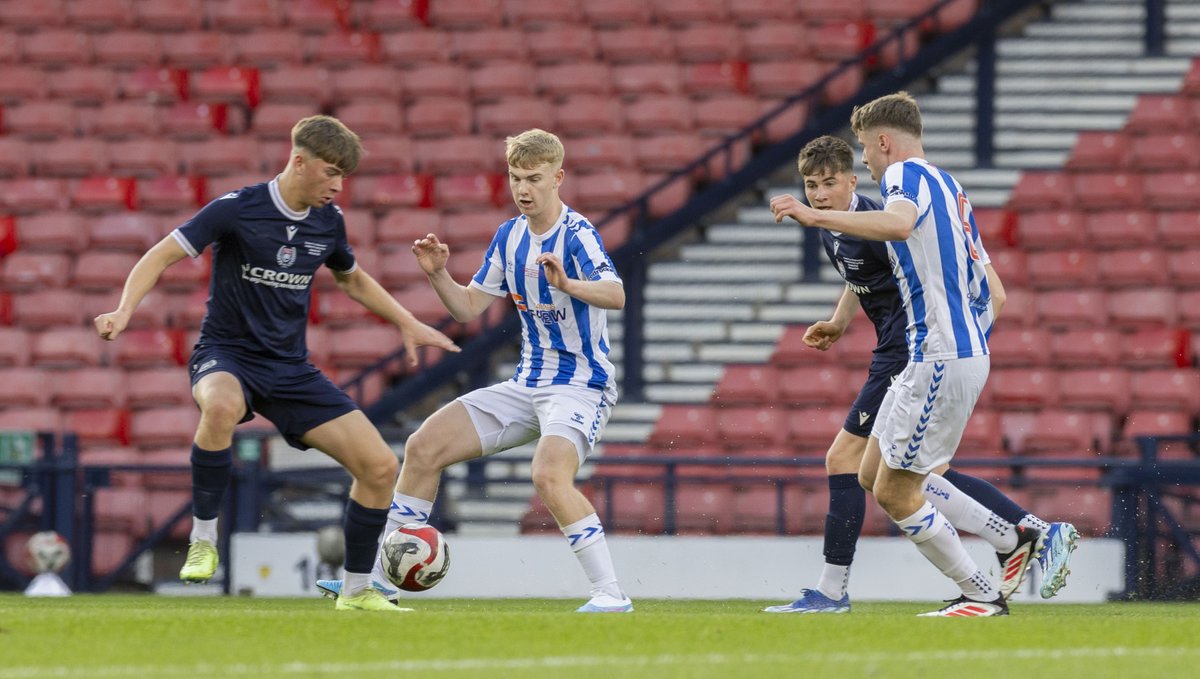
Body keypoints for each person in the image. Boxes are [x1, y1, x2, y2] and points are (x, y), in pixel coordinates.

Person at [94, 115, 460, 612]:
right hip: (226, 355)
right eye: (330, 172)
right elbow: (161, 255)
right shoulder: (237, 209)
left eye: (343, 177)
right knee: (220, 406)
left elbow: (351, 279)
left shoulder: (328, 222)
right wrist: (124, 308)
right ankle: (204, 538)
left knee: (379, 466)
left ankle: (355, 591)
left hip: (289, 369)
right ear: (298, 160)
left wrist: (406, 321)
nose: (336, 185)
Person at [771, 92, 1078, 617]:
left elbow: (896, 225)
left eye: (865, 150)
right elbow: (993, 288)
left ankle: (992, 580)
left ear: (883, 142)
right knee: (874, 473)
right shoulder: (951, 188)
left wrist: (812, 217)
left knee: (895, 486)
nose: (864, 160)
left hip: (935, 353)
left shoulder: (901, 180)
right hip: (942, 352)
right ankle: (1018, 537)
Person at [316, 129, 633, 612]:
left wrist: (569, 283)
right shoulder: (509, 236)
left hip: (579, 385)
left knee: (548, 475)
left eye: (534, 178)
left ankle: (611, 594)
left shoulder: (577, 235)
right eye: (515, 178)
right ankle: (378, 582)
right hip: (528, 384)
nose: (523, 189)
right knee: (423, 447)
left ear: (558, 178)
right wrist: (438, 274)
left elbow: (616, 294)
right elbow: (467, 308)